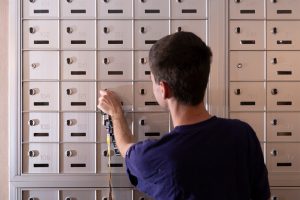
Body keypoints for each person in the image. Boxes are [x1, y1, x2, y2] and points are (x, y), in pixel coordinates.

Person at [97, 32, 270, 200]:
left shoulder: (158, 156)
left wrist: (116, 114)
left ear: (164, 89)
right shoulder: (242, 133)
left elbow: (126, 147)